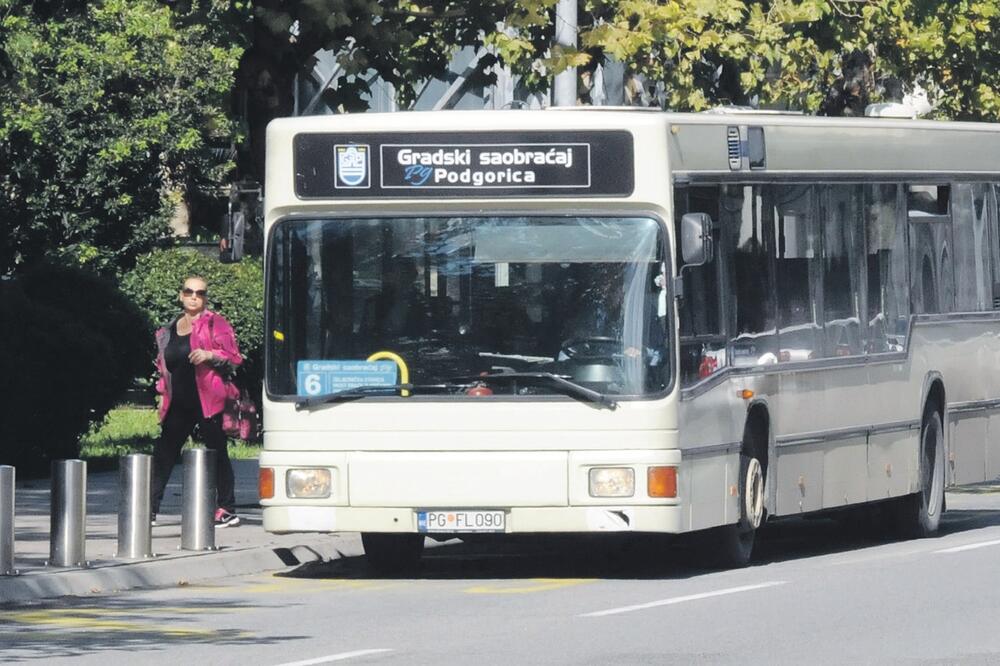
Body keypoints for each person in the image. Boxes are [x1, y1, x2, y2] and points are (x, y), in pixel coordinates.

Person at [152, 276, 242, 527]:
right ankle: (148, 508)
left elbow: (234, 357)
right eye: (189, 291)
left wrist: (210, 355)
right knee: (164, 453)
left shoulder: (215, 323)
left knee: (216, 452)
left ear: (205, 298)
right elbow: (163, 368)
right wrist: (162, 396)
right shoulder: (168, 330)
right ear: (181, 295)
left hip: (209, 399)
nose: (194, 297)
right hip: (178, 402)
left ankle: (226, 508)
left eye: (200, 293)